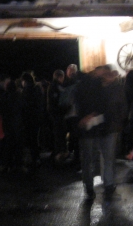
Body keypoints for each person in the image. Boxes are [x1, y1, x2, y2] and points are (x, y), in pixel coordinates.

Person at [74, 65, 114, 200]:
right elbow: (103, 104)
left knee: (88, 158)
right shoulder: (94, 85)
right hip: (94, 126)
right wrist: (92, 114)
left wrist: (85, 117)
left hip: (90, 126)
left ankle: (89, 186)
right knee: (91, 157)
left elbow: (79, 104)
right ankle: (90, 186)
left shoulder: (83, 84)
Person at [48, 70, 69, 162]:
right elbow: (60, 102)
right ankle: (59, 155)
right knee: (60, 135)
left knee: (57, 135)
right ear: (60, 77)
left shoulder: (51, 86)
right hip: (59, 115)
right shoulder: (57, 87)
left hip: (54, 114)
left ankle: (57, 154)